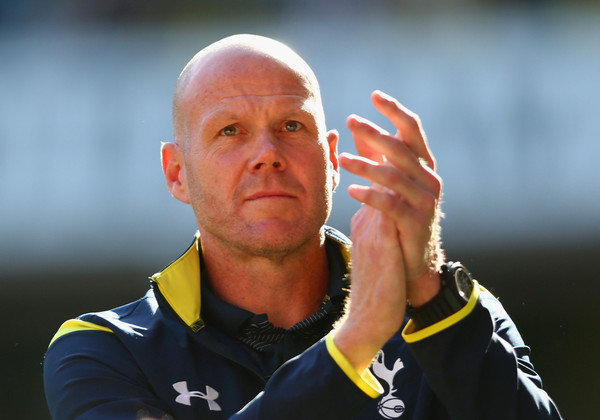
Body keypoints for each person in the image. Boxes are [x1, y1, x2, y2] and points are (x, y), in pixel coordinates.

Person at [43, 34, 563, 420]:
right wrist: (354, 342)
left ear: (333, 158)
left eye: (292, 126)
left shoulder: (451, 313)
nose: (266, 155)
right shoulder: (103, 347)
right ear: (177, 173)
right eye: (231, 132)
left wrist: (428, 289)